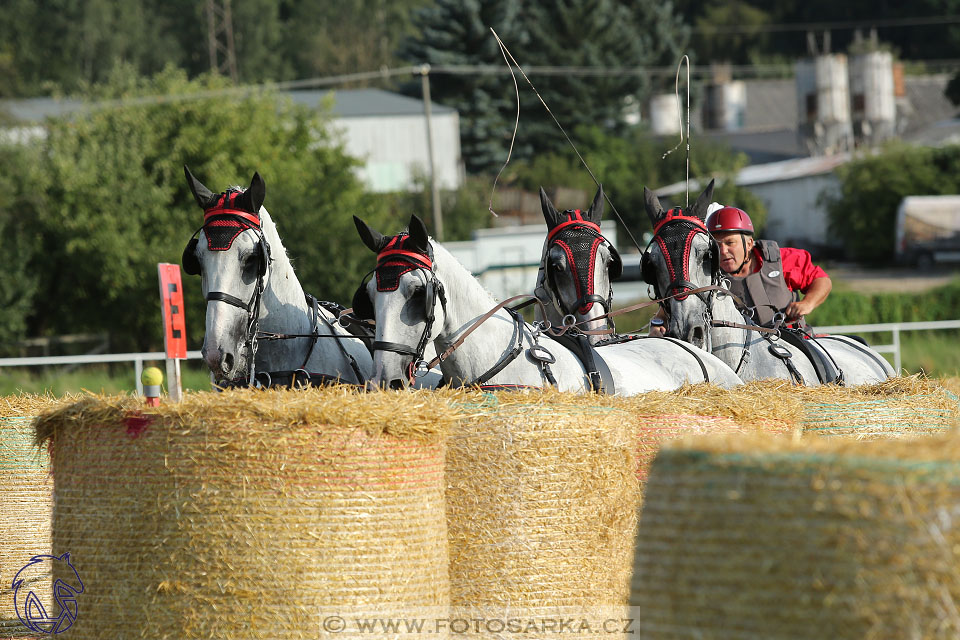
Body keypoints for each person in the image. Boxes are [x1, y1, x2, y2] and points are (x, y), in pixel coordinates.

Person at [649, 203, 831, 336]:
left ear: (749, 243)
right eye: (717, 245)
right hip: (742, 361)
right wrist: (658, 324)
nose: (723, 251)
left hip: (793, 344)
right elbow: (669, 310)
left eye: (730, 243)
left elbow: (821, 280)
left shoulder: (782, 259)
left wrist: (807, 304)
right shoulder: (705, 274)